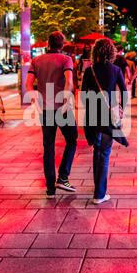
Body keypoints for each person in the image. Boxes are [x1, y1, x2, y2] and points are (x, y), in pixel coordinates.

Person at [26, 31, 78, 199]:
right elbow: (69, 81)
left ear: (48, 44)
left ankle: (50, 188)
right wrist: (65, 98)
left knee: (48, 146)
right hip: (61, 108)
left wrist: (36, 100)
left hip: (45, 109)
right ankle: (63, 176)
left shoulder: (36, 60)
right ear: (62, 45)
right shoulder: (65, 59)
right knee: (72, 139)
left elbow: (28, 84)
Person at [82, 39, 128, 205]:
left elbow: (83, 94)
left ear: (95, 53)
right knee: (104, 152)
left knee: (97, 150)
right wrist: (121, 108)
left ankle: (98, 187)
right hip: (109, 115)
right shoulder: (116, 70)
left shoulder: (90, 70)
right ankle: (99, 194)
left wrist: (90, 107)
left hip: (93, 115)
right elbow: (124, 90)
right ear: (111, 52)